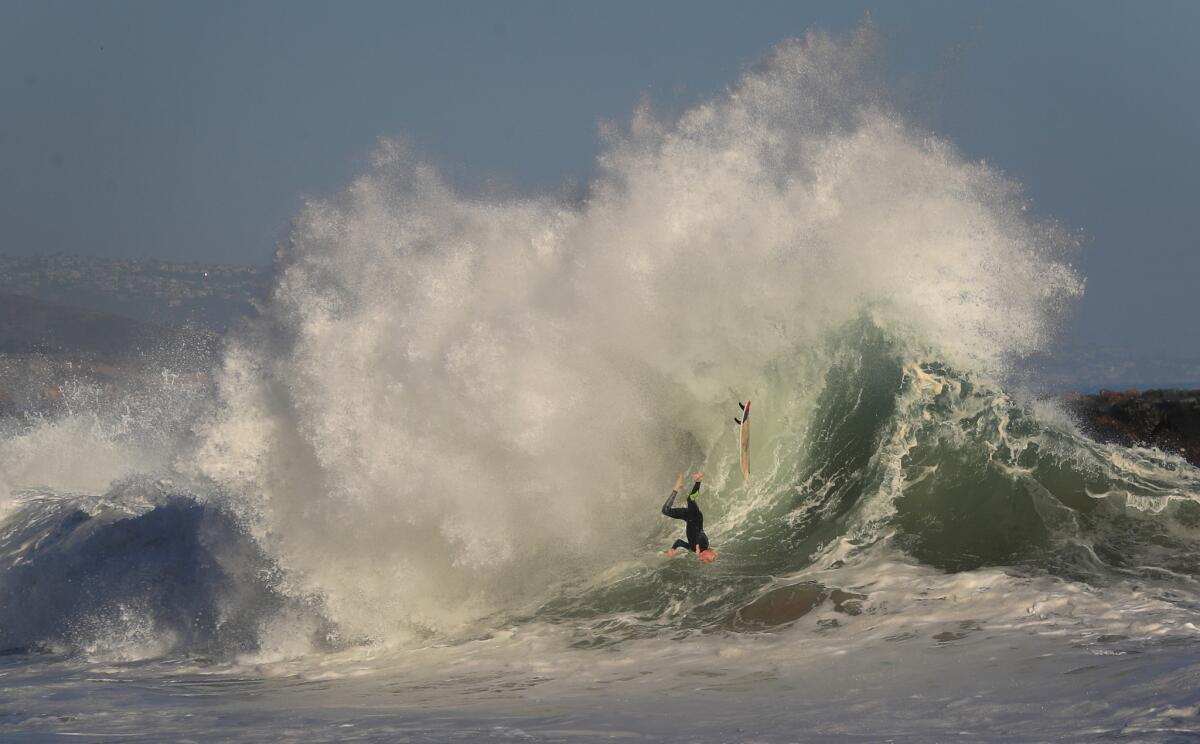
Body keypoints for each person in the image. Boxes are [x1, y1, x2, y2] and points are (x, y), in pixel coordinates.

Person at [661, 471, 716, 562]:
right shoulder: (704, 544)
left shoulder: (694, 550)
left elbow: (679, 542)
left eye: (705, 559)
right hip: (696, 517)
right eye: (708, 555)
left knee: (665, 510)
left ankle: (678, 486)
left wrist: (673, 549)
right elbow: (700, 535)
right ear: (709, 552)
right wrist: (698, 545)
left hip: (688, 518)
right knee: (690, 499)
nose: (705, 556)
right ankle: (699, 480)